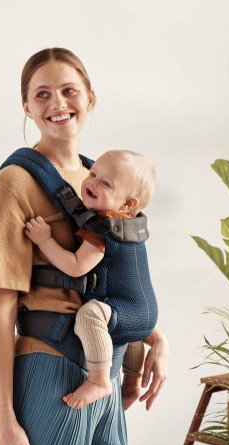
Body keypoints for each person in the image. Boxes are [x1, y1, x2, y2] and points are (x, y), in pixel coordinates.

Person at [0, 48, 169, 445]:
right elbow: (1, 312)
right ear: (26, 107)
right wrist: (4, 419)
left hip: (107, 366)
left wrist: (153, 337)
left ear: (90, 98)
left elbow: (118, 279)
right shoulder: (14, 185)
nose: (57, 103)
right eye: (42, 94)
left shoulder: (99, 177)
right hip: (52, 365)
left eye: (68, 90)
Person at [24, 149, 156, 410]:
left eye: (105, 183)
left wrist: (44, 240)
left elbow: (75, 266)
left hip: (125, 309)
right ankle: (132, 383)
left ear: (127, 205)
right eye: (93, 174)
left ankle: (99, 380)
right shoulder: (132, 226)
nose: (92, 183)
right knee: (126, 335)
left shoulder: (104, 228)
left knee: (89, 315)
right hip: (144, 313)